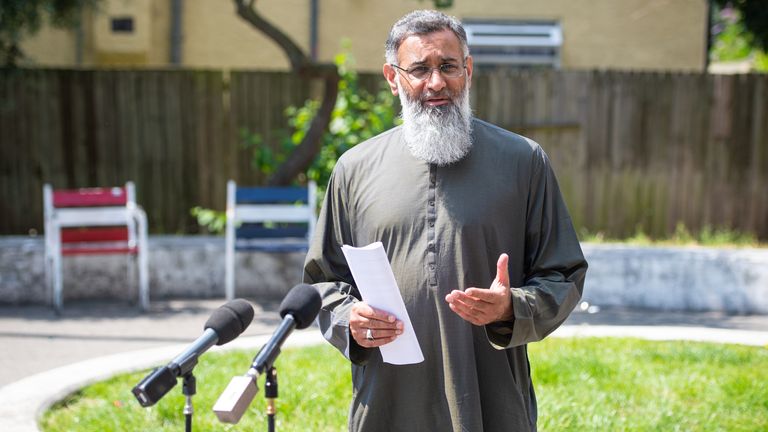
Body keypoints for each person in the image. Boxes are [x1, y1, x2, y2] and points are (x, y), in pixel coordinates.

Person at [303, 9, 587, 432]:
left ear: (468, 70)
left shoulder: (523, 161)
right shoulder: (354, 169)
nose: (436, 83)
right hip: (386, 404)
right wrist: (350, 320)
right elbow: (322, 281)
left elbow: (564, 274)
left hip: (491, 403)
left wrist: (512, 306)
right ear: (392, 77)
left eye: (448, 66)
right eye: (419, 69)